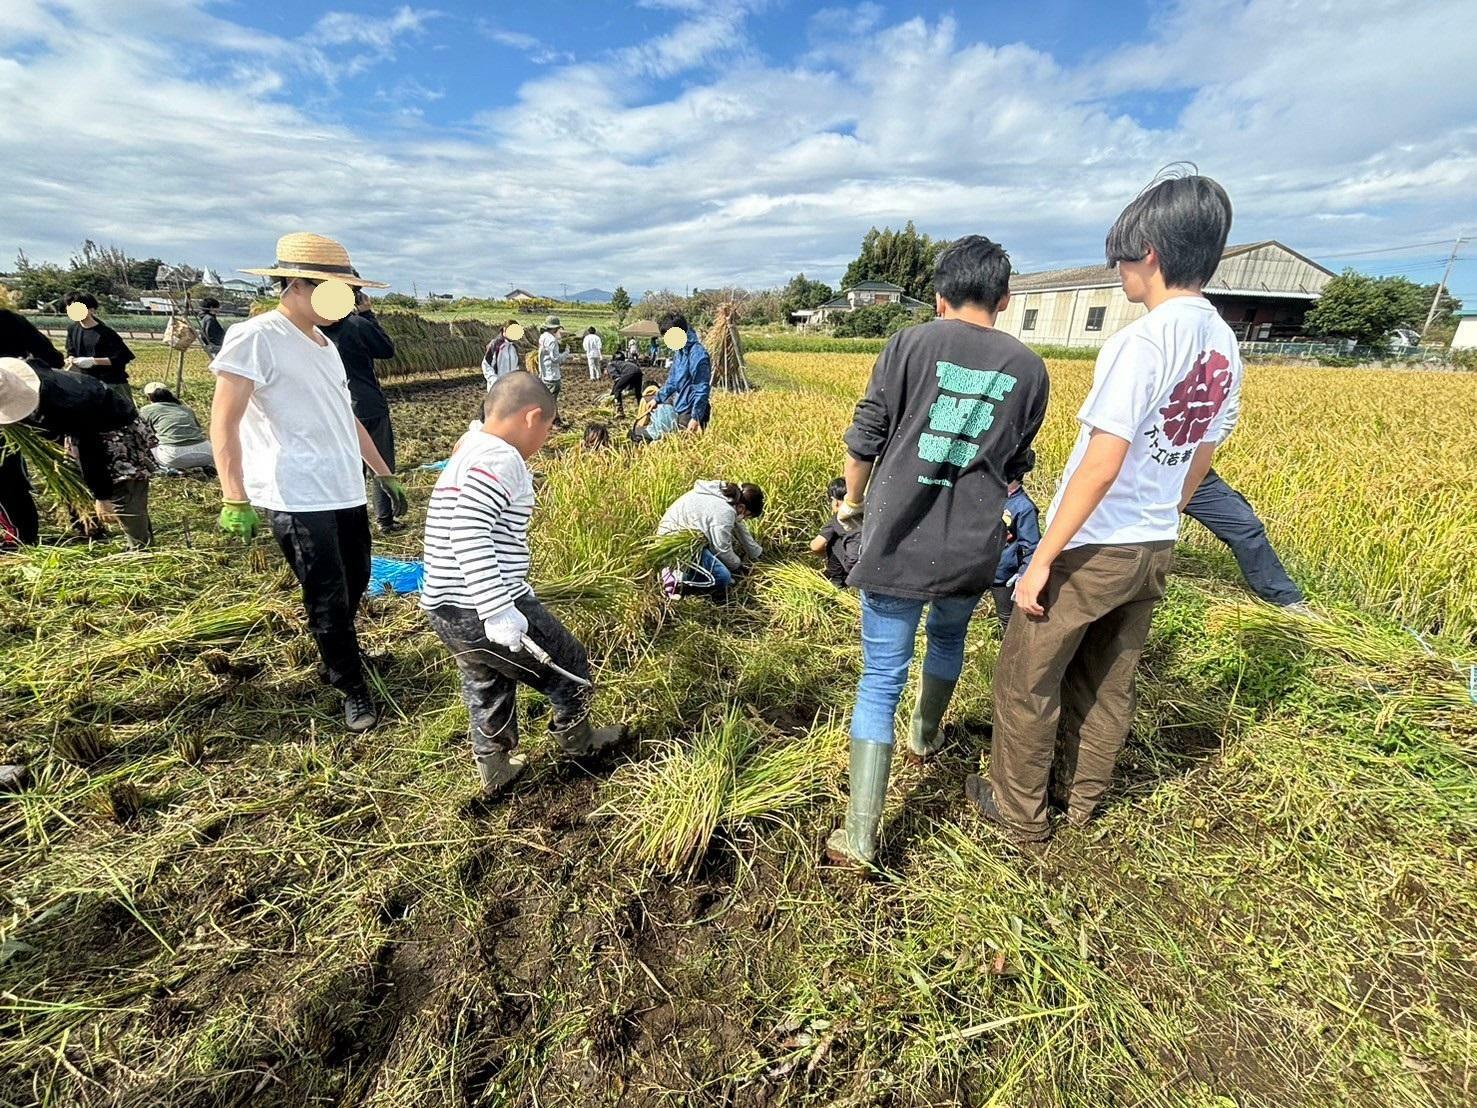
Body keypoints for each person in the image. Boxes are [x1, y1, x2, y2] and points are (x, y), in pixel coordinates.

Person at [972, 172, 1242, 844]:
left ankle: (1019, 815)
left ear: (1147, 252)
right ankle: (1081, 800)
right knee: (1106, 682)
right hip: (1152, 544)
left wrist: (1042, 557)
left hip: (1092, 545)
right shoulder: (1224, 344)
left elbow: (1101, 459)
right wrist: (1167, 511)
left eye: (1120, 256)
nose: (1118, 270)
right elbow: (1204, 449)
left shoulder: (1143, 340)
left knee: (1026, 679)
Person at [824, 235, 1049, 869]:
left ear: (939, 297)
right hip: (972, 545)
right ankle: (926, 738)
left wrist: (852, 505)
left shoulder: (908, 344)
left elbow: (866, 436)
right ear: (1005, 299)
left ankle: (861, 837)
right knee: (949, 640)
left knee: (879, 679)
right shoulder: (1029, 369)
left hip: (898, 538)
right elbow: (1015, 464)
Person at [209, 232, 408, 733]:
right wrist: (234, 495)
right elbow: (224, 421)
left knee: (357, 579)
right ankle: (350, 685)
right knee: (326, 593)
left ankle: (339, 654)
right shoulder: (256, 337)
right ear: (295, 284)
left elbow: (348, 417)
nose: (343, 302)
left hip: (344, 486)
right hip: (296, 492)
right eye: (333, 289)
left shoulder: (325, 344)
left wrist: (383, 473)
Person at [422, 372, 625, 794]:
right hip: (482, 605)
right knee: (569, 662)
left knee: (486, 680)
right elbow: (468, 530)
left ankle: (494, 766)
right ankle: (579, 741)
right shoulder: (501, 459)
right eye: (548, 429)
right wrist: (498, 610)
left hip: (445, 608)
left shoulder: (473, 445)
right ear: (532, 417)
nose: (547, 439)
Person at [1, 354, 135, 546]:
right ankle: (86, 523)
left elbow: (90, 449)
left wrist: (101, 496)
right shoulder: (16, 378)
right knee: (65, 468)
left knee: (117, 481)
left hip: (111, 424)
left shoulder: (67, 403)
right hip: (73, 424)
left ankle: (136, 540)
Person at [323, 289, 402, 534]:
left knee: (349, 466)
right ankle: (385, 519)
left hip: (335, 407)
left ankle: (352, 523)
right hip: (366, 404)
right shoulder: (356, 325)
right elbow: (386, 349)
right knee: (379, 461)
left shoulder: (313, 329)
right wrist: (368, 315)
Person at [1183, 469, 1305, 608]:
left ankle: (1284, 599)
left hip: (1193, 477)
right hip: (1153, 477)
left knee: (1246, 527)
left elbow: (1203, 456)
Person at [0, 312, 67, 545]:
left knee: (7, 477)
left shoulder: (8, 320)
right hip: (29, 392)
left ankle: (20, 535)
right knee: (59, 458)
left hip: (14, 398)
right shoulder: (11, 319)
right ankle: (84, 518)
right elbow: (52, 358)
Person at [656, 480, 765, 602]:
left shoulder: (726, 496)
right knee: (722, 578)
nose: (744, 519)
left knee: (725, 571)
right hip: (674, 547)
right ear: (742, 507)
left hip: (680, 536)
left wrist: (756, 553)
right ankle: (676, 576)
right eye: (747, 516)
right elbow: (721, 549)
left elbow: (739, 527)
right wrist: (738, 566)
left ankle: (679, 569)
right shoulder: (724, 512)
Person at [990, 450, 1042, 628]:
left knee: (1007, 617)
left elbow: (1031, 545)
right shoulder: (991, 497)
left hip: (1002, 574)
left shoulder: (1023, 507)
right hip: (979, 570)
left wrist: (1024, 574)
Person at [63, 292, 135, 401]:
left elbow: (122, 358)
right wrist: (71, 359)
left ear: (91, 310)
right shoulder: (73, 329)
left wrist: (93, 361)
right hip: (86, 382)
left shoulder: (106, 333)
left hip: (111, 383)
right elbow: (71, 351)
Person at [654, 312, 711, 432]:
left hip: (691, 410)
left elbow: (701, 389)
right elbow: (673, 381)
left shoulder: (698, 355)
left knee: (688, 447)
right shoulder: (680, 352)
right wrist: (657, 398)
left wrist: (696, 418)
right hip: (681, 405)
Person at [140, 382, 214, 472]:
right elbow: (198, 428)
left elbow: (143, 432)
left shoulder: (146, 410)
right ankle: (201, 467)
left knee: (144, 450)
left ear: (148, 396)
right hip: (206, 453)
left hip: (173, 456)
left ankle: (167, 470)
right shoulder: (186, 409)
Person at [809, 477, 861, 588]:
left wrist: (824, 555)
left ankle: (837, 582)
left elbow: (815, 546)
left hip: (856, 566)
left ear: (835, 501)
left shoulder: (838, 518)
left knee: (833, 540)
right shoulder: (866, 511)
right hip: (875, 562)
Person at [537, 316, 566, 422]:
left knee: (548, 398)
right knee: (552, 400)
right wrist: (566, 353)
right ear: (555, 328)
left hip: (544, 373)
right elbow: (556, 359)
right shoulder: (552, 340)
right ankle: (552, 420)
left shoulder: (543, 337)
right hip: (552, 375)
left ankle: (555, 418)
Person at [482, 319, 522, 389]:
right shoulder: (495, 345)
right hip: (497, 388)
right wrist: (494, 381)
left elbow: (517, 366)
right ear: (504, 330)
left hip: (511, 387)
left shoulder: (514, 347)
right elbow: (486, 364)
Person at [608, 352, 644, 417]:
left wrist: (613, 393)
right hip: (638, 371)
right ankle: (642, 409)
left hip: (629, 373)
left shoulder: (611, 364)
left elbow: (617, 379)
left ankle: (619, 411)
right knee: (638, 393)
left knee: (617, 390)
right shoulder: (627, 363)